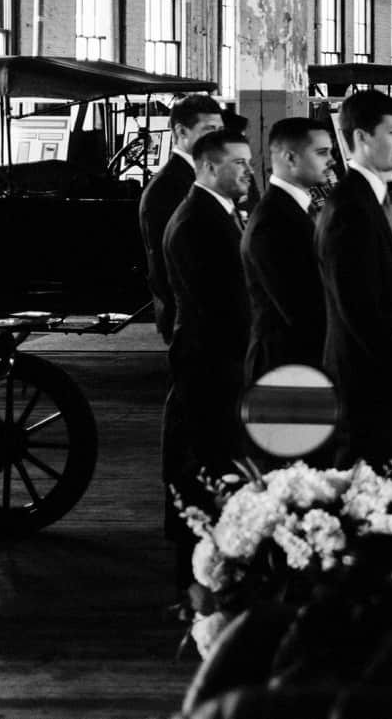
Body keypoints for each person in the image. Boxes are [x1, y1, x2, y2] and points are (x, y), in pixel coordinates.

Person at [161, 129, 254, 592]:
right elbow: (223, 307)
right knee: (204, 466)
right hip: (210, 365)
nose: (249, 171)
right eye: (239, 163)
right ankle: (196, 578)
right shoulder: (198, 221)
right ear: (211, 167)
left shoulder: (216, 214)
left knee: (214, 463)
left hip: (217, 362)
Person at [318, 89, 392, 466]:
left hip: (380, 373)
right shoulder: (350, 208)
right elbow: (357, 307)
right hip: (365, 377)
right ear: (361, 138)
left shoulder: (374, 201)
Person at [242, 117, 333, 379]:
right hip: (285, 368)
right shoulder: (273, 222)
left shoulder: (300, 211)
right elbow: (303, 310)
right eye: (322, 152)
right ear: (291, 158)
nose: (332, 160)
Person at [139, 93, 226, 343]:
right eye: (209, 129)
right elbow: (168, 265)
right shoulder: (168, 187)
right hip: (192, 317)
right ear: (181, 131)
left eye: (220, 129)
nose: (218, 138)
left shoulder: (202, 175)